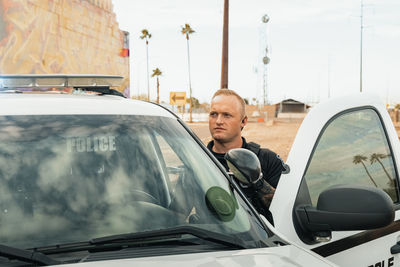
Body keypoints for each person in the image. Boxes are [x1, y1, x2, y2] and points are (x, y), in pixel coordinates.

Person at [207, 89, 287, 222]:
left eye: (227, 115)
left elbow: (286, 210)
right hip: (210, 240)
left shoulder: (267, 159)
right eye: (213, 114)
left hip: (259, 240)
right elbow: (179, 211)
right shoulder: (198, 160)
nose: (218, 121)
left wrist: (257, 182)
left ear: (243, 121)